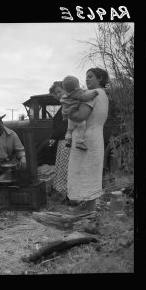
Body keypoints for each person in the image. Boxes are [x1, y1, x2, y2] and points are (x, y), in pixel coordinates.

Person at [67, 68, 109, 212]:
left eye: (91, 76)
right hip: (96, 137)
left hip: (86, 139)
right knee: (91, 176)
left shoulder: (91, 95)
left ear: (100, 79)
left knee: (85, 174)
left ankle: (88, 216)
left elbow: (80, 116)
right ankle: (89, 214)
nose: (87, 79)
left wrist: (68, 113)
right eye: (86, 77)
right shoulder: (103, 95)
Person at [60, 75, 99, 150]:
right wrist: (94, 93)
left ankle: (68, 140)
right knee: (82, 128)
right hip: (76, 116)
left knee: (69, 129)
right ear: (75, 87)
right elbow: (85, 98)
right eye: (78, 84)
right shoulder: (77, 93)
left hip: (70, 118)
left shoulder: (65, 95)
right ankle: (79, 142)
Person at [48, 81, 70, 201]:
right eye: (56, 93)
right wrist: (53, 137)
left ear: (66, 90)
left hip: (67, 141)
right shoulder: (63, 105)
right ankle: (62, 192)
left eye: (59, 91)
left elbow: (64, 125)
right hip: (62, 141)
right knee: (62, 167)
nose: (58, 95)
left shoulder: (69, 104)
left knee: (66, 168)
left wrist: (54, 136)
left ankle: (67, 192)